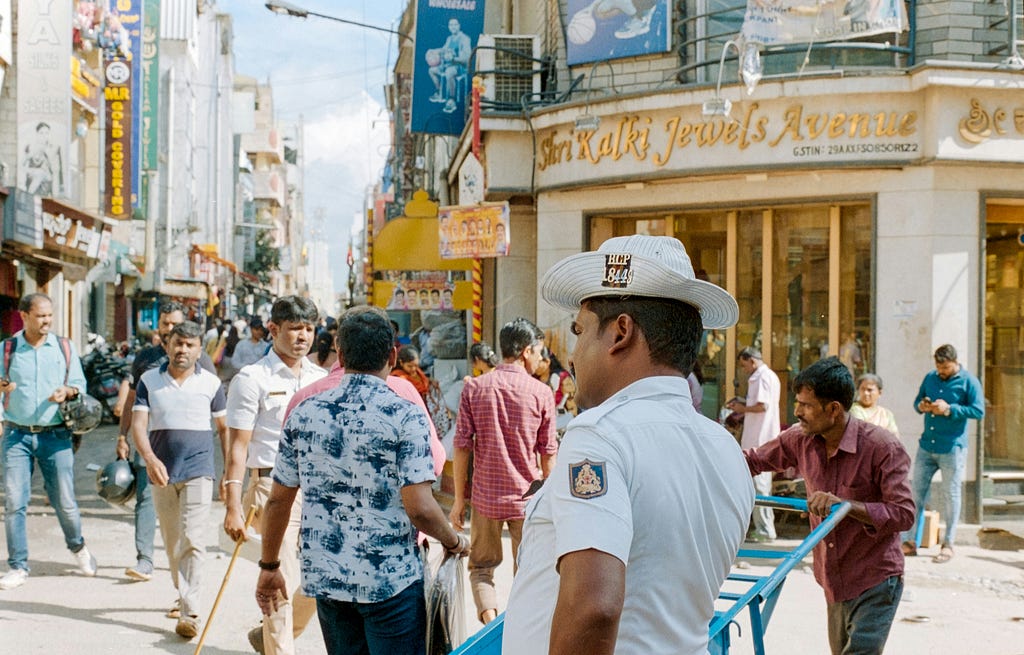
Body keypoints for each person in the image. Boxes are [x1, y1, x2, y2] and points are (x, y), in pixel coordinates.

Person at [502, 235, 753, 655]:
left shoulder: (599, 435)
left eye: (580, 332)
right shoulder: (725, 449)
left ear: (620, 332)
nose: (574, 356)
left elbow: (594, 608)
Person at [254, 306, 469, 655]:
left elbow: (278, 500)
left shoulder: (305, 413)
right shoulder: (405, 413)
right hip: (391, 583)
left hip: (328, 580)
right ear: (393, 355)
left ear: (340, 354)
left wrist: (269, 566)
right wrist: (455, 540)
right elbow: (420, 507)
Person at [745, 356, 914, 655]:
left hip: (875, 577)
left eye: (806, 405)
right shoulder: (800, 439)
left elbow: (904, 513)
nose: (797, 412)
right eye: (797, 403)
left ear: (834, 409)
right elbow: (755, 460)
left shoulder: (883, 447)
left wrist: (846, 506)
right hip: (832, 577)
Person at [223, 296, 327, 655]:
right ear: (273, 330)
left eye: (310, 329)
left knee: (320, 579)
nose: (303, 336)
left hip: (316, 488)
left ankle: (267, 638)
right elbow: (237, 445)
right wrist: (233, 503)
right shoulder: (252, 379)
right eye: (295, 328)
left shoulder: (322, 379)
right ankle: (280, 648)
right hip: (270, 486)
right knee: (280, 576)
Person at [451, 317, 559, 624]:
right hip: (529, 502)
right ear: (526, 351)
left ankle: (490, 622)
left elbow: (461, 447)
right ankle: (519, 630)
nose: (541, 358)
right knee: (528, 572)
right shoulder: (540, 394)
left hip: (485, 498)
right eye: (539, 352)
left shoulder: (475, 388)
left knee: (482, 569)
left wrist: (460, 499)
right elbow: (548, 454)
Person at [130, 321, 228, 639]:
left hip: (199, 469)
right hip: (161, 472)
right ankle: (182, 592)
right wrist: (150, 459)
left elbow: (224, 429)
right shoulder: (148, 381)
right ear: (167, 344)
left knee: (193, 539)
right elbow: (138, 426)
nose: (182, 350)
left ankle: (190, 610)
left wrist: (228, 472)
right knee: (173, 543)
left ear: (200, 349)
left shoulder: (211, 384)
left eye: (190, 344)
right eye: (177, 343)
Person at [116, 300, 217, 584]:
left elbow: (213, 404)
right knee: (146, 500)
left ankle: (185, 587)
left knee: (187, 527)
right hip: (148, 441)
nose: (170, 329)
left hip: (190, 457)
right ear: (160, 329)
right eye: (166, 325)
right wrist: (122, 436)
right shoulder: (145, 358)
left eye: (175, 324)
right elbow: (132, 400)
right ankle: (145, 559)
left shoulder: (202, 362)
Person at [0, 293, 95, 590]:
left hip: (56, 436)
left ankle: (78, 547)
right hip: (16, 435)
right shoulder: (7, 349)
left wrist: (66, 392)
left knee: (65, 501)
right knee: (15, 501)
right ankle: (17, 565)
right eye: (41, 316)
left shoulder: (63, 347)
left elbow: (79, 385)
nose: (47, 321)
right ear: (24, 316)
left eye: (49, 316)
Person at [902, 344, 984, 563]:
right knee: (916, 494)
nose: (941, 371)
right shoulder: (931, 377)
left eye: (945, 367)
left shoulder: (969, 381)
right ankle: (910, 541)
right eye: (938, 366)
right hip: (927, 445)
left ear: (955, 362)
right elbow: (916, 403)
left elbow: (978, 410)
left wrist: (950, 409)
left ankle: (948, 543)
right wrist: (923, 406)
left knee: (951, 495)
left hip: (952, 447)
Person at [726, 346, 782, 542]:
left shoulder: (761, 377)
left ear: (752, 360)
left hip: (760, 439)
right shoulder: (769, 376)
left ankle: (765, 530)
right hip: (761, 437)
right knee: (758, 485)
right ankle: (762, 528)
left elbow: (762, 405)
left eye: (744, 365)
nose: (744, 369)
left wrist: (742, 407)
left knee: (760, 487)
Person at [427, 17, 472, 114]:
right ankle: (439, 92)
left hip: (459, 67)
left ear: (459, 26)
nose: (453, 27)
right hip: (447, 65)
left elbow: (467, 58)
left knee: (449, 73)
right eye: (451, 25)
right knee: (432, 70)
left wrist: (453, 59)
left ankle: (451, 99)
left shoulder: (465, 39)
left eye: (455, 24)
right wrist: (434, 50)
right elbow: (443, 50)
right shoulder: (449, 39)